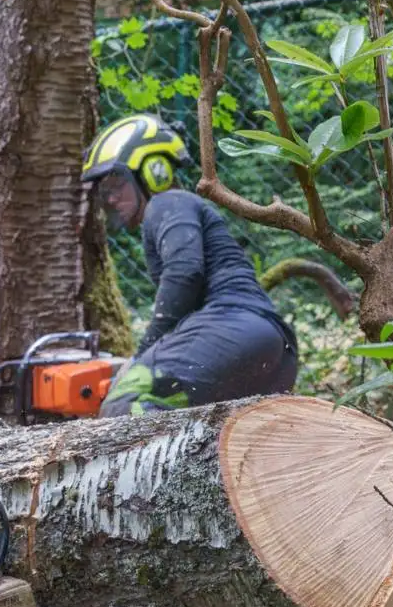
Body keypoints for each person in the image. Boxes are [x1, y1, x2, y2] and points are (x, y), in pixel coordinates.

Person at [80, 112, 299, 416]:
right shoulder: (171, 213)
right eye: (105, 191)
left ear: (154, 171)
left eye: (117, 183)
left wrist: (142, 356)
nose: (112, 198)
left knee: (126, 400)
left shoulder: (167, 202)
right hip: (274, 350)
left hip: (233, 328)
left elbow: (185, 271)